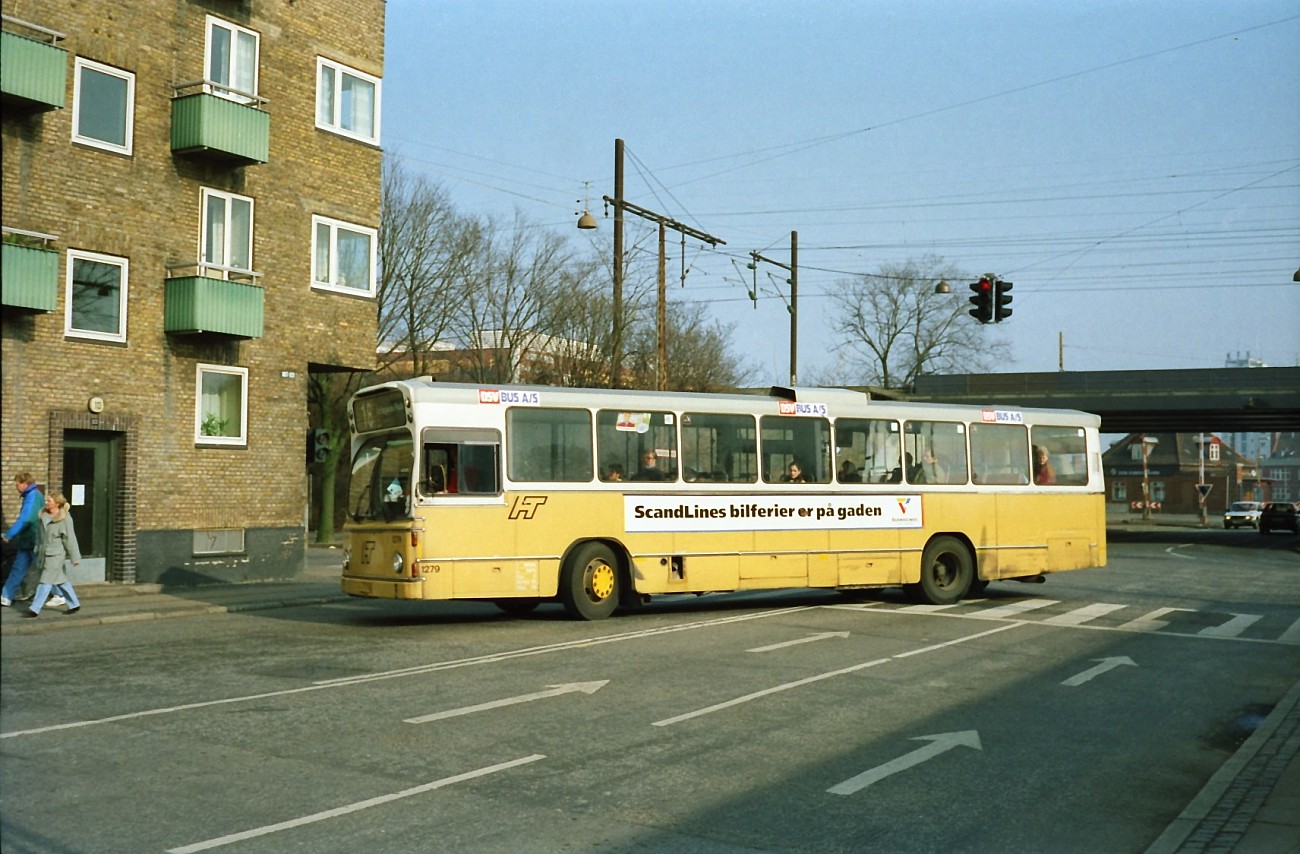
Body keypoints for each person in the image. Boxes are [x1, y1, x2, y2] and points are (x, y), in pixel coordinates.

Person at [24, 491, 83, 617]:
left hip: (56, 555)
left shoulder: (65, 519)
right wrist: (37, 549)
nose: (46, 503)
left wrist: (75, 558)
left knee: (45, 581)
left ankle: (34, 609)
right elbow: (39, 537)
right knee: (61, 581)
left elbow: (70, 539)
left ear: (57, 503)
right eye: (46, 500)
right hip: (43, 554)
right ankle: (74, 604)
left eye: (49, 501)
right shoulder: (43, 517)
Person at [1, 473, 44, 608]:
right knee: (18, 568)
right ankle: (6, 596)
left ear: (25, 483)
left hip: (34, 539)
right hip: (26, 540)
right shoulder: (31, 495)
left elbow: (27, 519)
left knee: (44, 568)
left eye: (17, 484)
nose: (16, 487)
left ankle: (61, 594)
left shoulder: (33, 496)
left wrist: (9, 535)